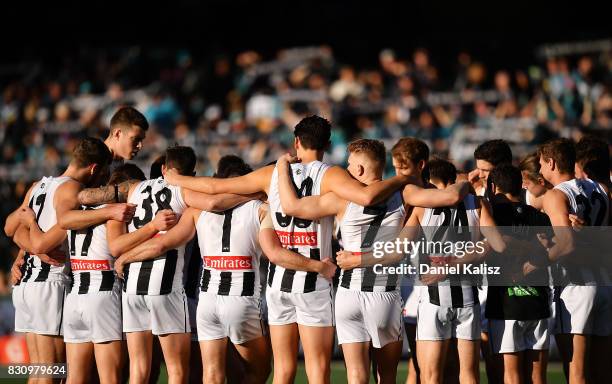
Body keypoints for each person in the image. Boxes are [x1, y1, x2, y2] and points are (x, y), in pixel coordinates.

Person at [162, 116, 412, 383]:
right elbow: (368, 196)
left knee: (282, 370)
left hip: (278, 283)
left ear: (296, 141)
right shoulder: (332, 174)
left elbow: (214, 188)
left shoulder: (271, 173)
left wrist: (177, 179)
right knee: (317, 370)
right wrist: (404, 179)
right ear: (327, 143)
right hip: (314, 282)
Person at [116, 154, 337, 384]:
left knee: (211, 374)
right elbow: (275, 252)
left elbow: (162, 243)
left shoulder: (197, 211)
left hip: (207, 302)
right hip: (241, 300)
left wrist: (125, 257)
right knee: (260, 370)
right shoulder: (261, 208)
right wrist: (319, 266)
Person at [276, 139, 470, 384]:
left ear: (358, 170)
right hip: (384, 293)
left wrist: (282, 167)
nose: (346, 169)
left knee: (356, 375)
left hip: (348, 293)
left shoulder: (339, 199)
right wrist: (464, 183)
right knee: (386, 376)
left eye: (349, 165)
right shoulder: (404, 194)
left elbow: (291, 206)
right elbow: (450, 198)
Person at [4, 138, 114, 382]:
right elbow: (43, 241)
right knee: (52, 374)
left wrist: (31, 244)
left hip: (25, 285)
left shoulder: (37, 185)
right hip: (49, 284)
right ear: (94, 168)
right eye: (104, 172)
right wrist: (37, 245)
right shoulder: (72, 190)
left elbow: (10, 227)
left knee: (39, 372)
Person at [406, 158, 506, 384]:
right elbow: (498, 244)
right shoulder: (478, 204)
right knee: (469, 374)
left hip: (434, 296)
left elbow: (400, 247)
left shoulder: (422, 207)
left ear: (430, 182)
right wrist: (461, 258)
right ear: (453, 178)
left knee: (431, 375)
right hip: (468, 296)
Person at [538, 138, 610, 384]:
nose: (539, 170)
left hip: (576, 286)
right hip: (606, 283)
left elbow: (566, 245)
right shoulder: (600, 189)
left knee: (577, 372)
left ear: (552, 162)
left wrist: (538, 260)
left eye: (541, 164)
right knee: (602, 372)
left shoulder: (556, 195)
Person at [486, 164, 552, 384]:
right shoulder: (540, 217)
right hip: (538, 300)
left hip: (506, 303)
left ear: (493, 187)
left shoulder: (492, 216)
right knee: (537, 376)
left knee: (512, 375)